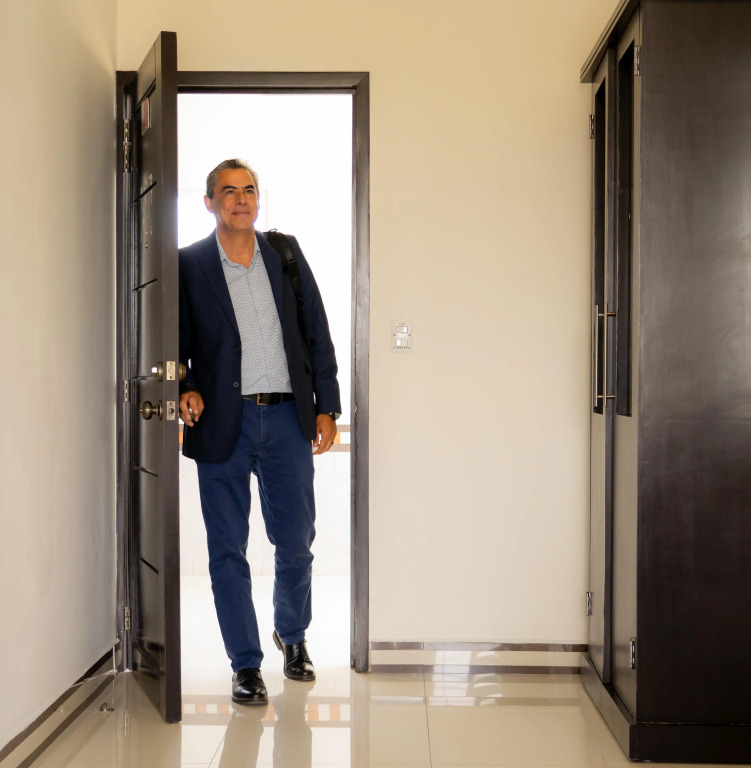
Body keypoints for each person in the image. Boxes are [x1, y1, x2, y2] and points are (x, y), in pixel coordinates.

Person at [178, 158, 341, 706]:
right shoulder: (189, 264)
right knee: (227, 549)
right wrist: (186, 387)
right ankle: (245, 664)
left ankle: (292, 636)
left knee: (296, 541)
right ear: (210, 203)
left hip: (289, 417)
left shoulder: (284, 254)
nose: (241, 199)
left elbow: (316, 330)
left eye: (248, 189)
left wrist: (327, 407)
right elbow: (174, 341)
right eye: (228, 191)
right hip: (225, 421)